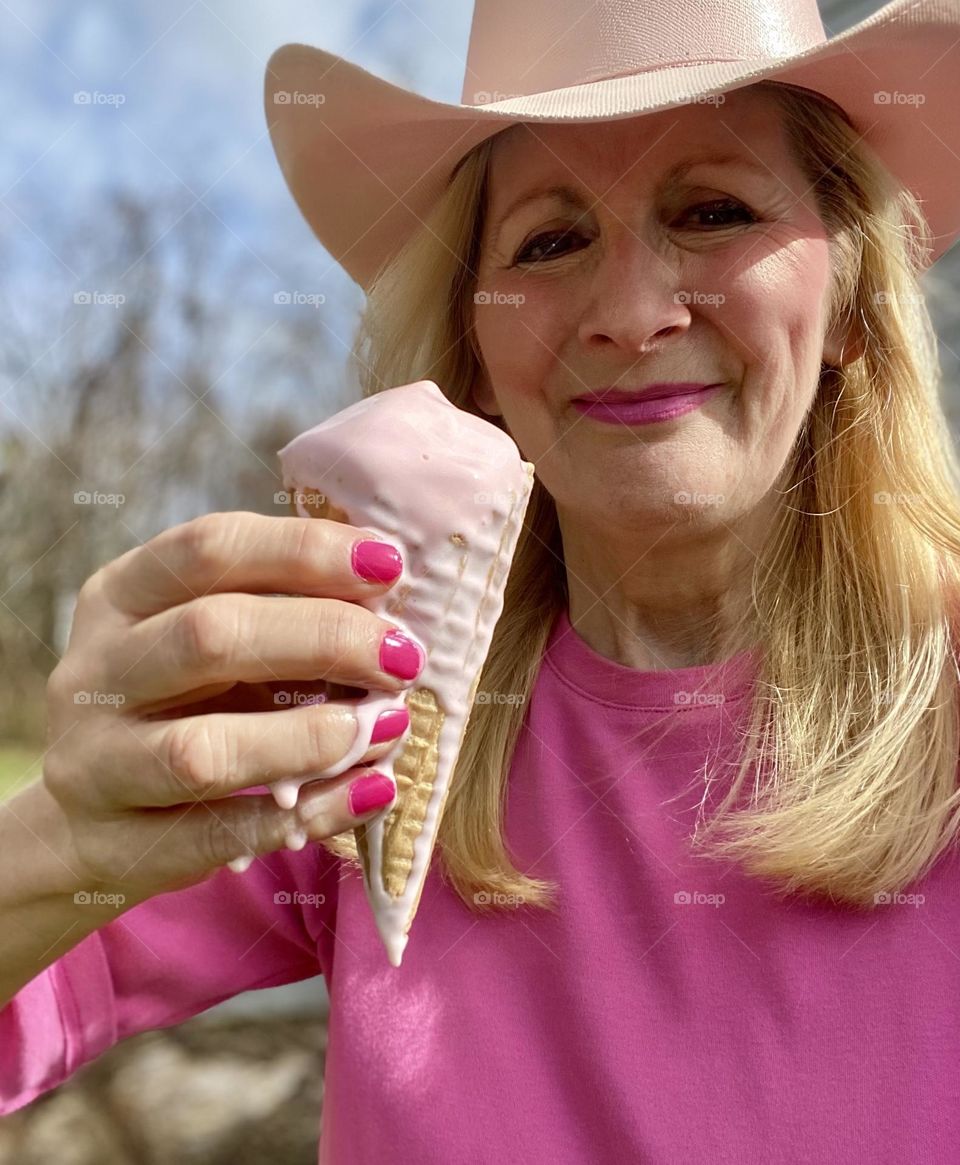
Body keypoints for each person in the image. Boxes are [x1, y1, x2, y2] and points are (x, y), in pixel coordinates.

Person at [4, 0, 960, 1160]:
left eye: (715, 211)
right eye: (550, 241)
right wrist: (67, 839)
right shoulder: (355, 726)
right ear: (479, 355)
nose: (631, 314)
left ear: (852, 302)